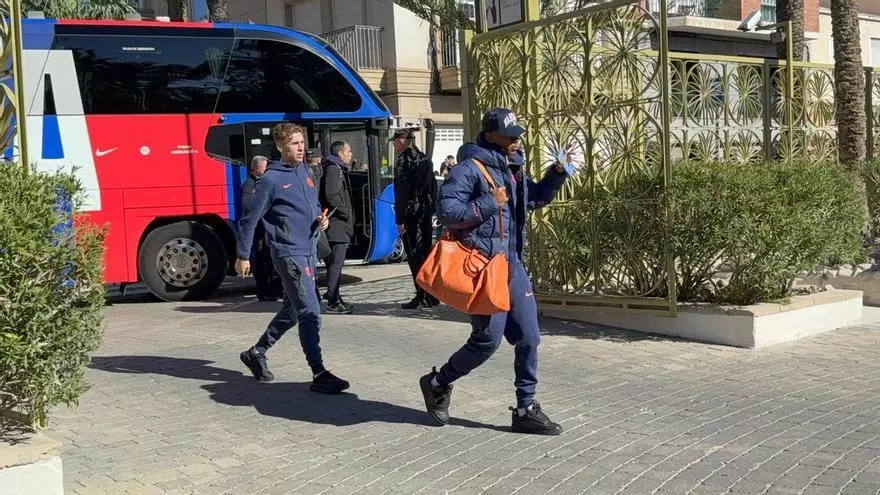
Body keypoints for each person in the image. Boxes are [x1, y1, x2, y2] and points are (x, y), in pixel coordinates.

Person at [418, 108, 574, 435]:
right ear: (491, 137)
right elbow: (447, 212)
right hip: (485, 266)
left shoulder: (512, 168)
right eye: (511, 135)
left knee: (529, 336)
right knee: (486, 342)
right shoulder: (468, 169)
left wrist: (557, 173)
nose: (517, 140)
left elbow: (535, 200)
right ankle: (437, 382)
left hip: (511, 265)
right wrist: (489, 203)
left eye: (518, 135)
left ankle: (525, 408)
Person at [235, 123, 349, 394]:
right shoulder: (270, 181)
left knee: (293, 310)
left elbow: (308, 207)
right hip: (289, 254)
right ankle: (319, 373)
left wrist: (320, 221)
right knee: (311, 311)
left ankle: (257, 352)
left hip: (309, 250)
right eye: (294, 144)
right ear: (280, 147)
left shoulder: (306, 172)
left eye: (302, 142)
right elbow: (249, 220)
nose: (300, 148)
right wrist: (242, 255)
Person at [392, 128, 439, 310]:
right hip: (425, 213)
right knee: (426, 254)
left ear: (401, 141)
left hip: (411, 214)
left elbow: (401, 193)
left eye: (395, 142)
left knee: (415, 255)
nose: (395, 146)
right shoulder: (424, 158)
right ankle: (431, 295)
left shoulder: (404, 161)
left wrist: (399, 219)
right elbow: (433, 187)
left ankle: (421, 295)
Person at [319, 141, 356, 314]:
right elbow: (331, 195)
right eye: (348, 151)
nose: (351, 154)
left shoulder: (336, 168)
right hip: (337, 226)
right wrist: (346, 213)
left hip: (338, 224)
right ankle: (333, 302)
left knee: (335, 265)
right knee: (335, 265)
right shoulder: (334, 169)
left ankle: (336, 297)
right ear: (340, 153)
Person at [244, 155, 283, 302]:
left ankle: (274, 289)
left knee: (270, 260)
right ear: (256, 168)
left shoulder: (264, 183)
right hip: (259, 230)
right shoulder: (250, 184)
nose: (267, 170)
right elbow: (248, 206)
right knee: (261, 261)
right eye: (264, 167)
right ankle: (263, 291)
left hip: (267, 229)